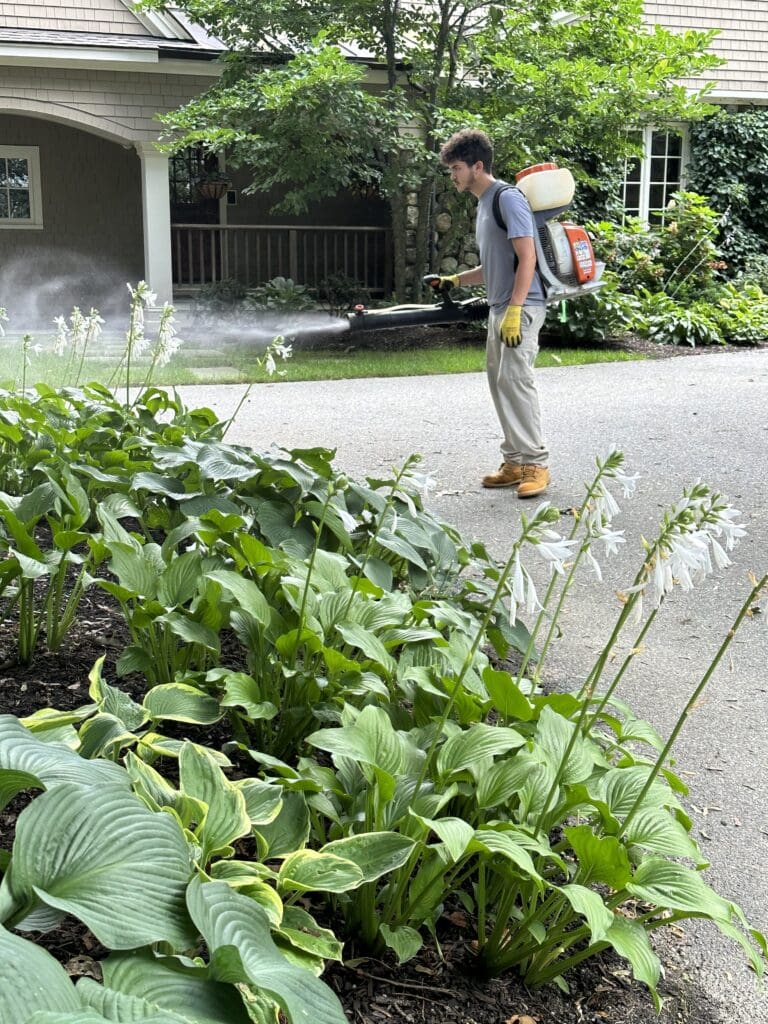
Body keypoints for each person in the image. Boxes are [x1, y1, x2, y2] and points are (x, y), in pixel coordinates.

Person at [431, 129, 550, 498]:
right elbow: (494, 265)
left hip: (521, 308)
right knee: (501, 385)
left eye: (456, 168)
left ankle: (536, 464)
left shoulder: (507, 199)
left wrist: (515, 310)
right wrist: (454, 280)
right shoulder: (484, 204)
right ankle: (514, 461)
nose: (453, 176)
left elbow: (527, 257)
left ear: (477, 166)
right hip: (501, 309)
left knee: (516, 382)